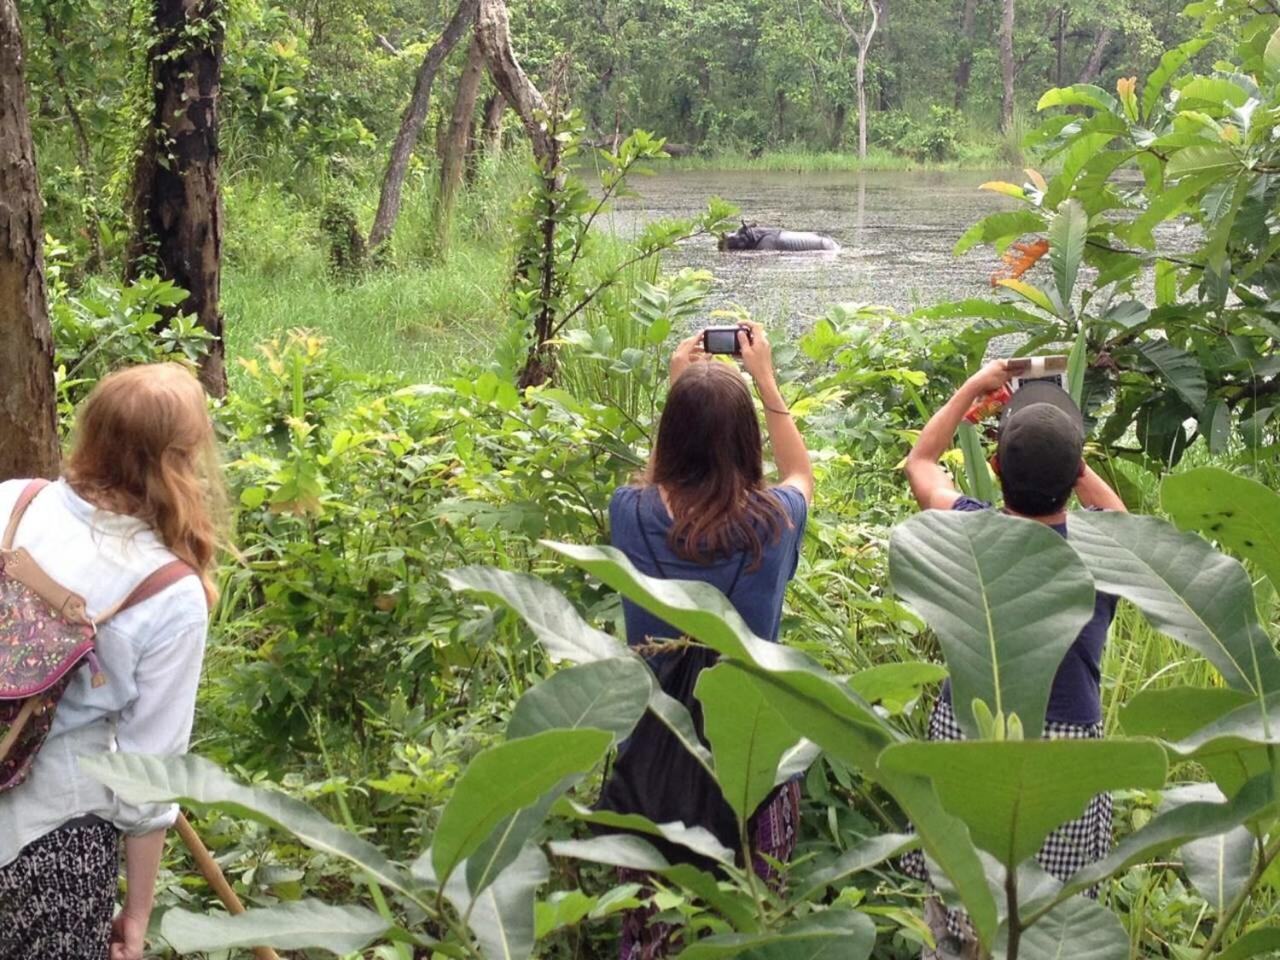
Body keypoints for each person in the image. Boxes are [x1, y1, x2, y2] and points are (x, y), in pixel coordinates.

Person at [900, 359, 1126, 959]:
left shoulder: (966, 534)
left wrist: (974, 388)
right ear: (1075, 472)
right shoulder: (1108, 552)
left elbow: (920, 464)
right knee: (1054, 923)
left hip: (969, 730)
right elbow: (1120, 516)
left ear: (995, 468)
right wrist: (1071, 463)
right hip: (1065, 753)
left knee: (958, 909)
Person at [604, 322, 814, 960]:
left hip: (654, 756)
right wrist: (766, 380)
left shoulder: (628, 512)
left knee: (652, 928)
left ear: (671, 436)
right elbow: (801, 471)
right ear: (744, 442)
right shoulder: (774, 523)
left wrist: (684, 387)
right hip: (753, 760)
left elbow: (658, 483)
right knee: (748, 925)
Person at [0, 364, 223, 960]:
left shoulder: (13, 504)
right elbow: (148, 777)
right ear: (180, 461)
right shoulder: (169, 590)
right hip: (51, 843)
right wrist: (140, 912)